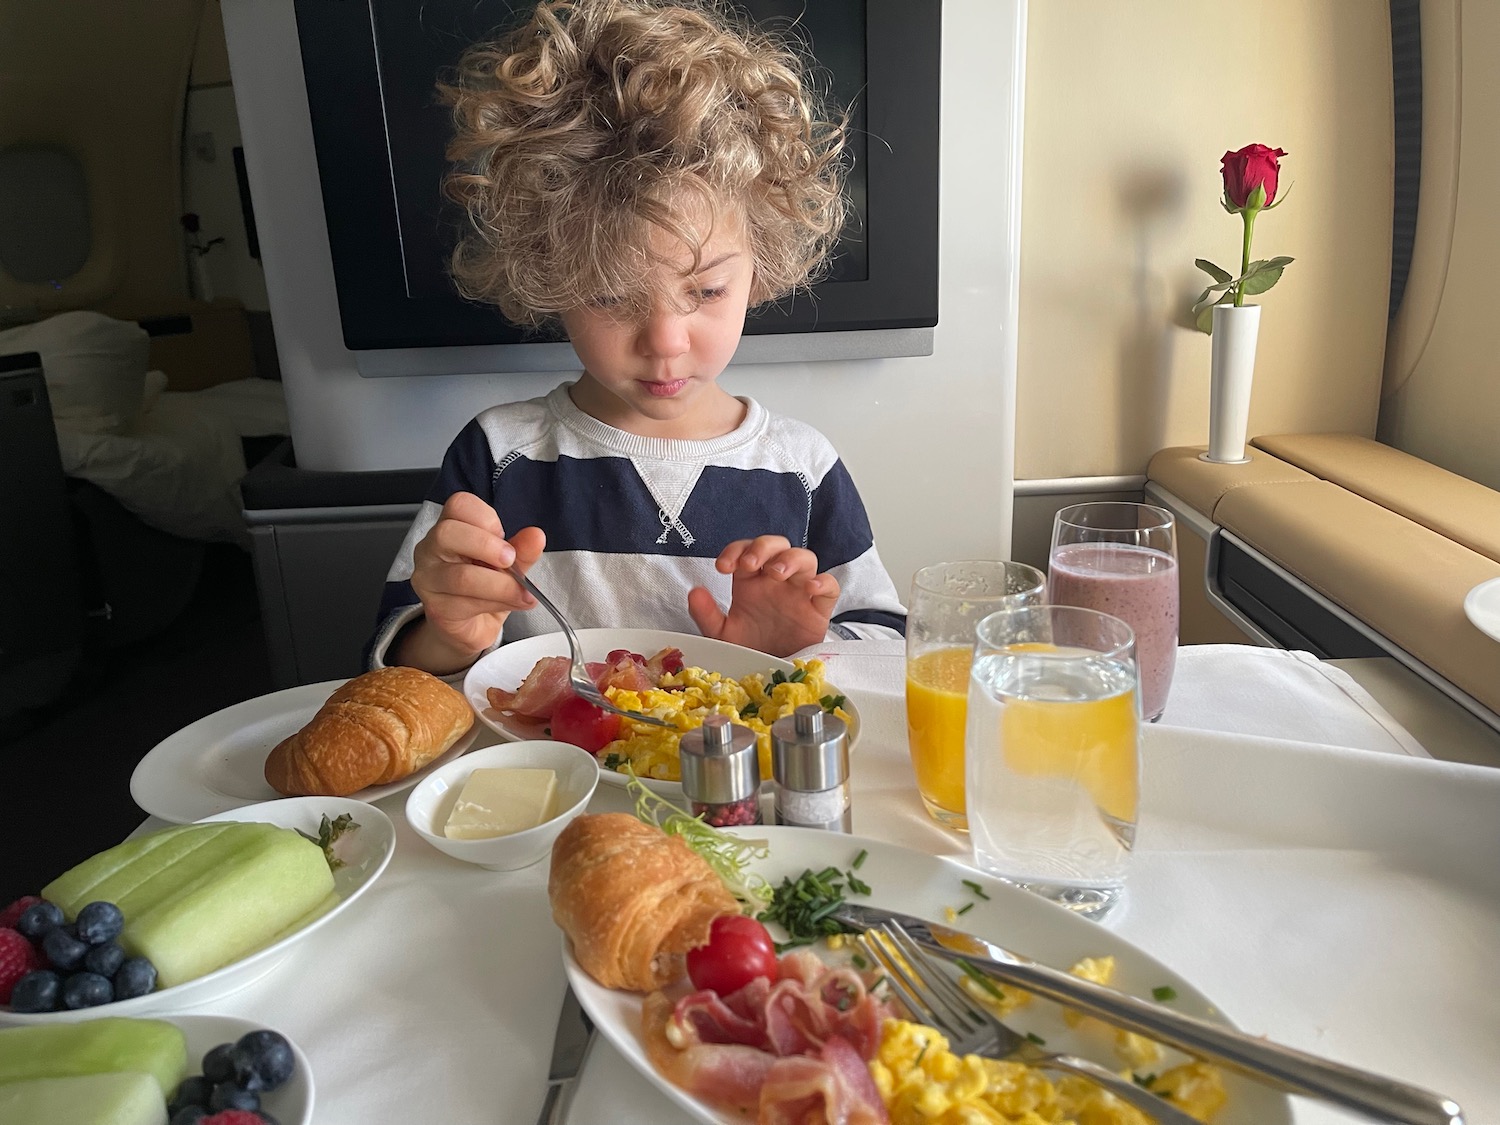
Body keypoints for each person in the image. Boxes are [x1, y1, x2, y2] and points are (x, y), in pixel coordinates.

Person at [369, 0, 905, 676]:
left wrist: (794, 653)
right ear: (547, 275)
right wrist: (450, 632)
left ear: (761, 265)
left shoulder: (800, 467)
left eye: (706, 292)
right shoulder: (498, 455)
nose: (666, 343)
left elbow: (887, 640)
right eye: (610, 297)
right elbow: (391, 666)